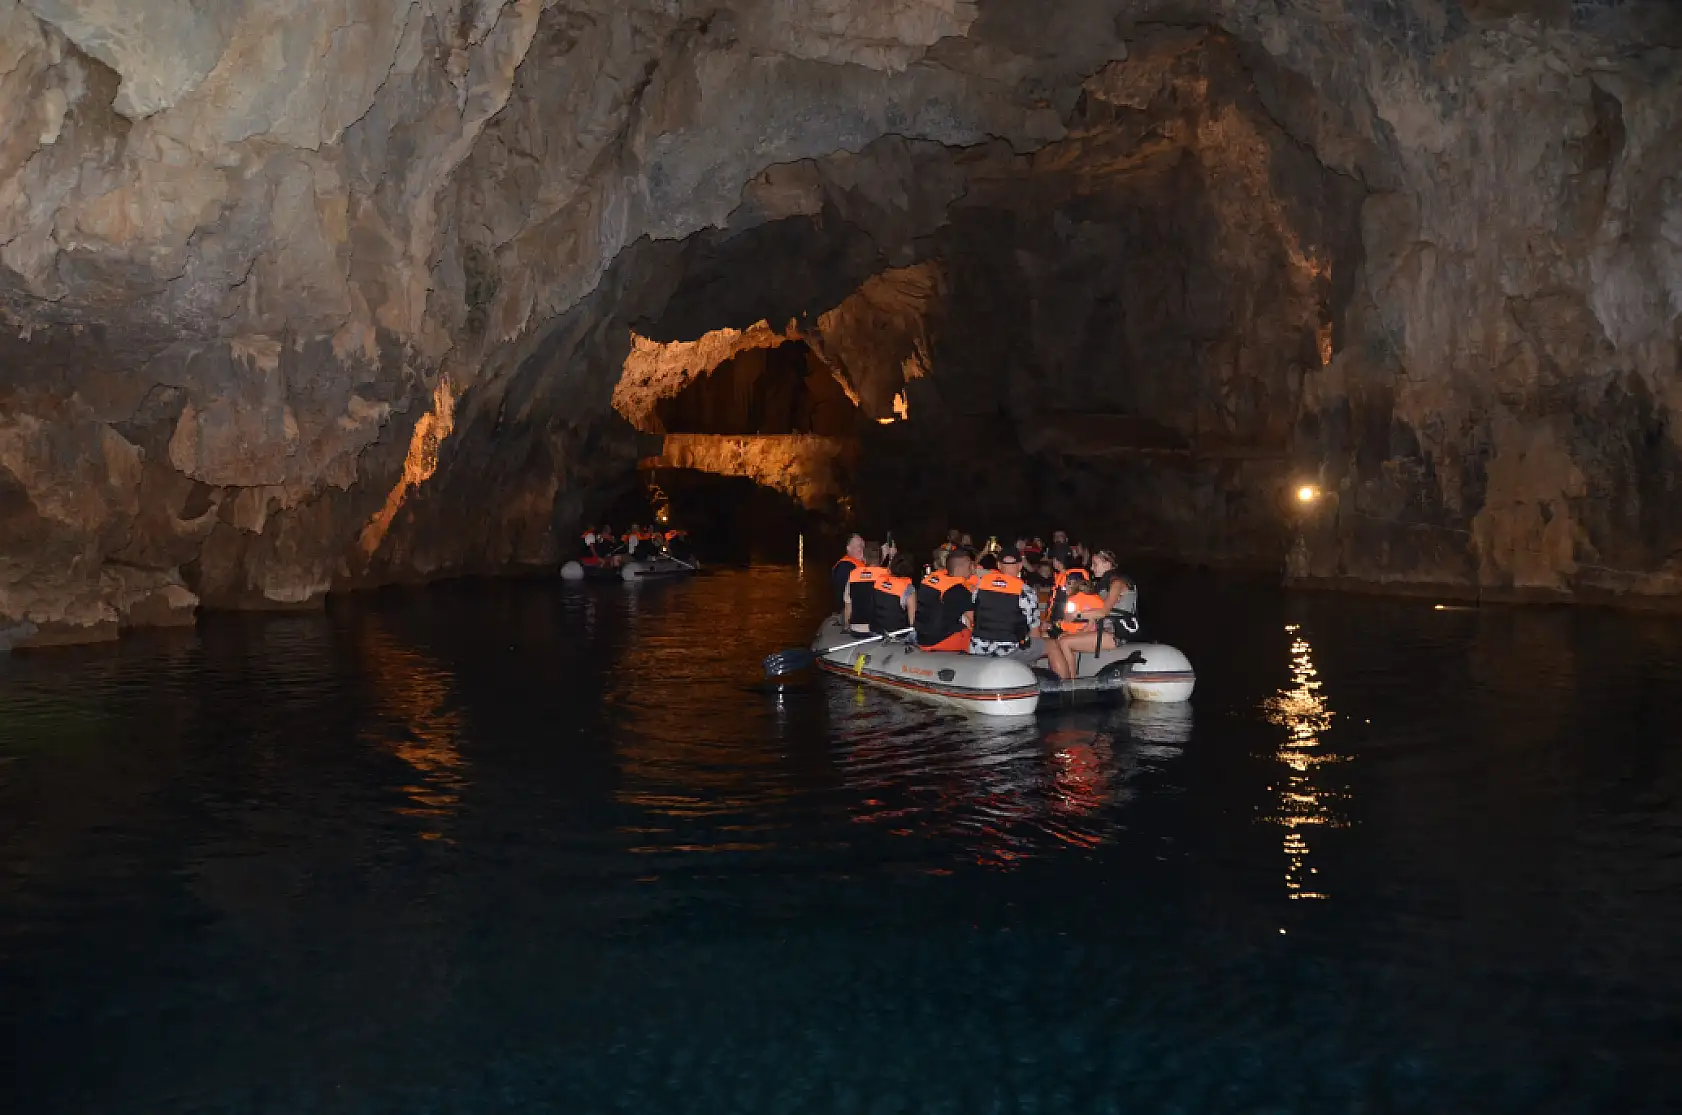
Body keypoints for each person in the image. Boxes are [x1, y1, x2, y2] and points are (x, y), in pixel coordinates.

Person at [969, 547, 1043, 661]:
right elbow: (1035, 633)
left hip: (978, 648)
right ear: (1020, 566)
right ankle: (1068, 679)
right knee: (1052, 647)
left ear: (999, 565)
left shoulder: (979, 584)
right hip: (1009, 650)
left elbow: (971, 614)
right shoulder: (1025, 591)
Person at [1043, 569, 1111, 679]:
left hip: (1094, 632)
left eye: (1068, 584)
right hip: (1085, 630)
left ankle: (1071, 678)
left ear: (1075, 584)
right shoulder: (1093, 597)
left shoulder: (1078, 599)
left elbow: (1092, 619)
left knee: (1063, 640)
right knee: (1054, 637)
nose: (1065, 588)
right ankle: (1060, 674)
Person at [915, 550, 975, 651]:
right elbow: (971, 620)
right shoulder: (959, 590)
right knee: (970, 632)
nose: (973, 569)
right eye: (970, 566)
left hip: (921, 638)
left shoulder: (929, 580)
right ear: (958, 568)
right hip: (940, 641)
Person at [844, 543, 888, 634]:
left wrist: (846, 627)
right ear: (880, 559)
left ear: (864, 558)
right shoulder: (887, 574)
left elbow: (848, 606)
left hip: (857, 630)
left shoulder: (853, 574)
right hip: (879, 630)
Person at [873, 553, 918, 634]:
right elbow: (913, 620)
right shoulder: (908, 587)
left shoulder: (879, 580)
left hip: (877, 630)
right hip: (898, 633)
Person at [831, 534, 865, 611]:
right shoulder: (844, 567)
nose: (860, 549)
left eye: (862, 546)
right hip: (848, 611)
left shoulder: (854, 564)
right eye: (857, 546)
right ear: (848, 549)